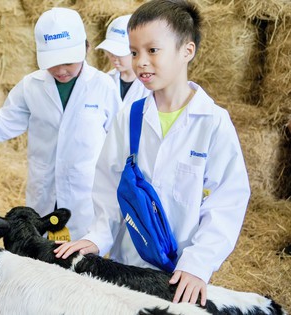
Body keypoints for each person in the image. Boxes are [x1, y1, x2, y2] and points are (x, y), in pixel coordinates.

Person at [54, 0, 251, 307]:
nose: (140, 62)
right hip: (126, 268)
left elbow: (227, 201)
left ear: (187, 51)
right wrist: (97, 237)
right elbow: (109, 186)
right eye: (134, 52)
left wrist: (198, 263)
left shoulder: (213, 123)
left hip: (179, 275)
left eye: (152, 51)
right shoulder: (129, 117)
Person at [0, 7, 122, 241]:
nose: (61, 70)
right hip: (44, 189)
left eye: (68, 61)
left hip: (85, 194)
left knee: (81, 258)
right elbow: (6, 121)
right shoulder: (31, 85)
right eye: (53, 62)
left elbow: (119, 140)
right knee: (41, 252)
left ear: (86, 48)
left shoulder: (103, 86)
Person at [96, 14, 150, 106]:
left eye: (119, 54)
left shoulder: (150, 85)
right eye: (110, 53)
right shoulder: (105, 80)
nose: (114, 59)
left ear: (136, 52)